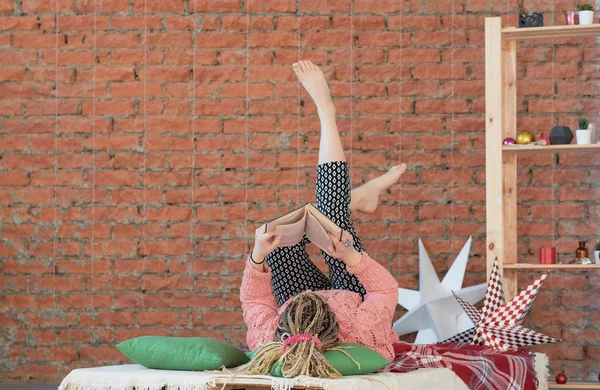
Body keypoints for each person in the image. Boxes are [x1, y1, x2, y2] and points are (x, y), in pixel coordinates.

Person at [240, 60, 405, 378]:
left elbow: (254, 297)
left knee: (278, 240)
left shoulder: (267, 336)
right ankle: (326, 112)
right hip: (352, 292)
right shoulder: (359, 328)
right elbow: (384, 291)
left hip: (300, 298)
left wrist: (258, 253)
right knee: (333, 216)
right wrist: (352, 258)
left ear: (282, 329)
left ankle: (353, 201)